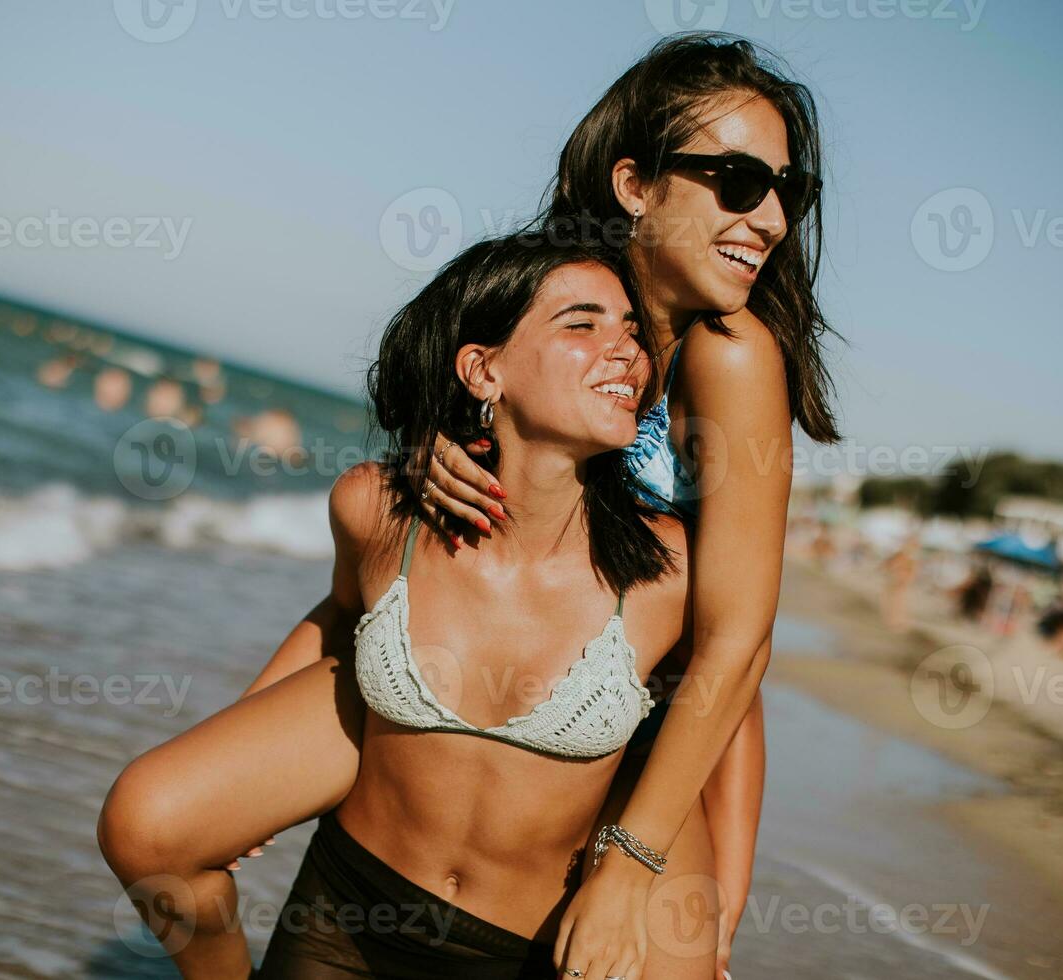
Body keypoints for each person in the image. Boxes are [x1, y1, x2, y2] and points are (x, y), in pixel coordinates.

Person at [100, 31, 842, 979]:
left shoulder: (732, 354)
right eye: (739, 179)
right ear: (634, 184)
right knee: (157, 821)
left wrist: (653, 866)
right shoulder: (560, 301)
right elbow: (379, 567)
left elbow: (737, 647)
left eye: (790, 190)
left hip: (660, 707)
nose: (771, 216)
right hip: (478, 652)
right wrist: (441, 442)